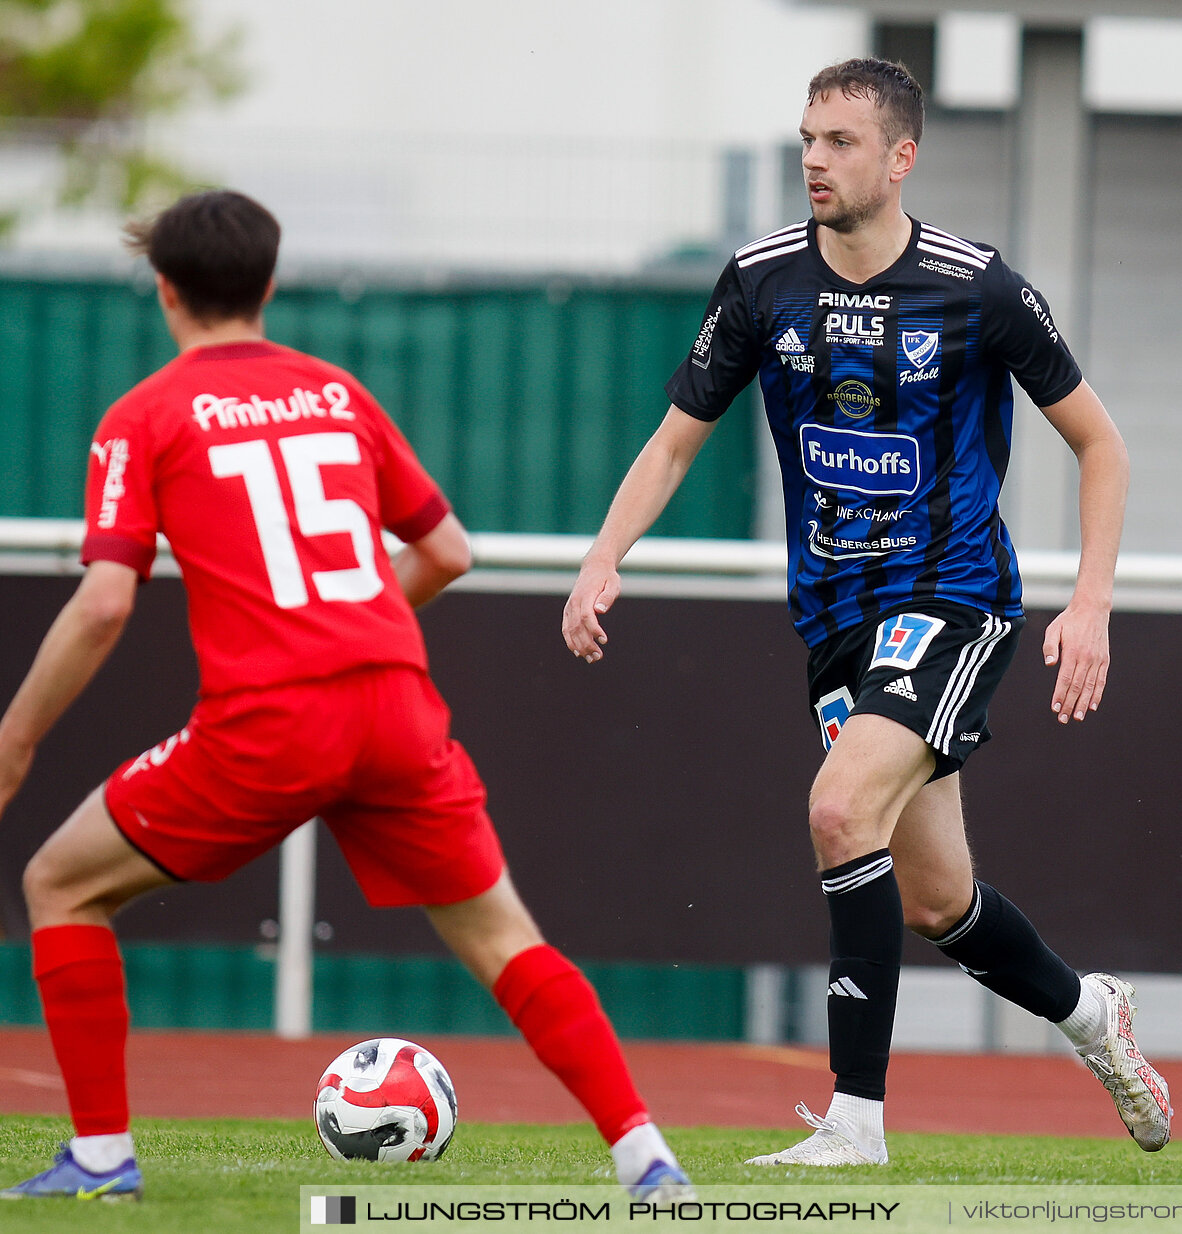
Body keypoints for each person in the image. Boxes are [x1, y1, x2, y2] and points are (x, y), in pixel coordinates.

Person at [0, 190, 690, 1203]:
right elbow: (448, 550)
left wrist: (15, 738)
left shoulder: (144, 415)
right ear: (270, 285)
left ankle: (103, 1159)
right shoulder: (334, 392)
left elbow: (106, 601)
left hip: (270, 719)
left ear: (164, 290)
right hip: (396, 700)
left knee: (61, 883)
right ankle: (646, 1157)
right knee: (507, 937)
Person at [562, 58, 1168, 1167]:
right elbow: (675, 437)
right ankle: (1092, 1015)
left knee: (840, 811)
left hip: (953, 598)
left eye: (840, 141)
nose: (813, 160)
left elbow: (1101, 443)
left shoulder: (976, 287)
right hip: (834, 619)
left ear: (901, 158)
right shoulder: (759, 283)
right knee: (937, 898)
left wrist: (1092, 603)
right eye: (806, 138)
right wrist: (606, 556)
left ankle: (855, 1122)